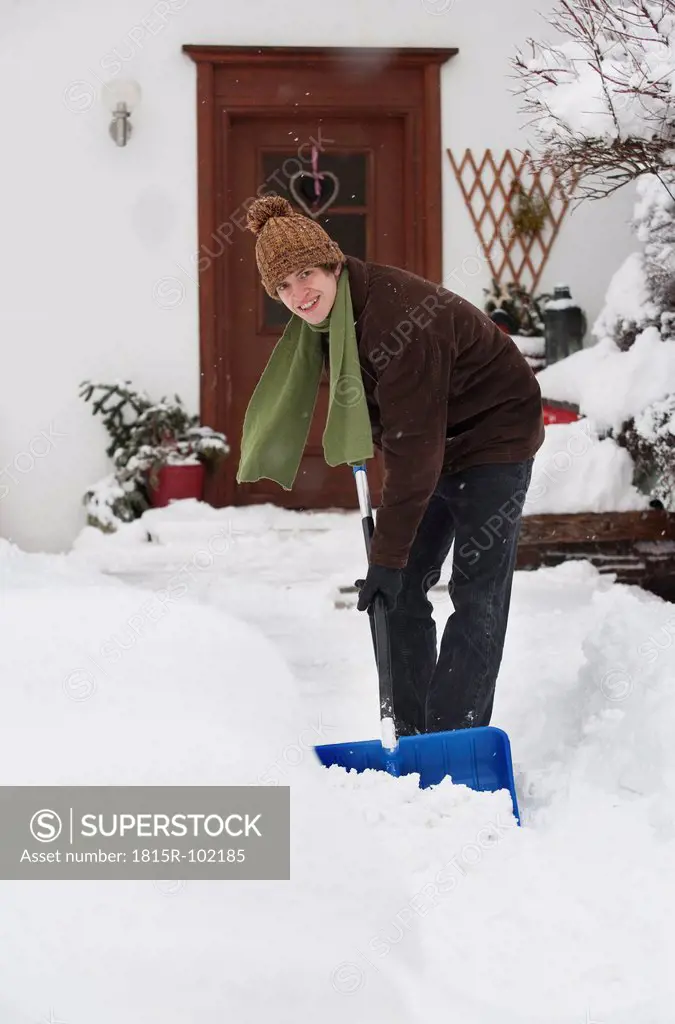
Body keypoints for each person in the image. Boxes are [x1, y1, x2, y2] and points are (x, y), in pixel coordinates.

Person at [237, 194, 544, 735]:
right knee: (398, 592)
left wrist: (387, 555)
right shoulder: (333, 321)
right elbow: (398, 428)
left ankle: (456, 735)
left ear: (333, 264)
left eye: (306, 274)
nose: (298, 295)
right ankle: (409, 731)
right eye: (283, 287)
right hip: (433, 438)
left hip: (495, 432)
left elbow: (415, 449)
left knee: (477, 591)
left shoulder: (399, 320)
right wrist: (391, 565)